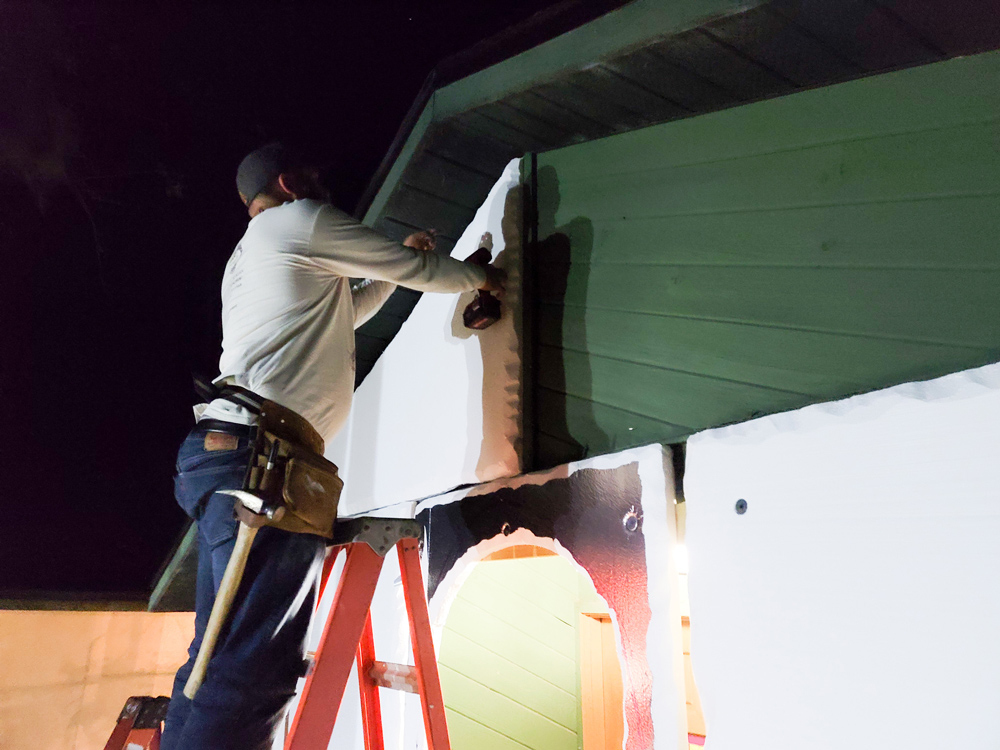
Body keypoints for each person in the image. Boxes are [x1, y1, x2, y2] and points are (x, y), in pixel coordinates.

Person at [161, 143, 506, 750]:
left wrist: (396, 272)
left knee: (216, 655)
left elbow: (343, 313)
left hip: (229, 451)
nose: (327, 189)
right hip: (265, 461)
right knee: (251, 669)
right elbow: (422, 273)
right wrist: (484, 276)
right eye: (318, 178)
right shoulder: (301, 220)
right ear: (291, 182)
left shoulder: (251, 256)